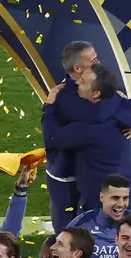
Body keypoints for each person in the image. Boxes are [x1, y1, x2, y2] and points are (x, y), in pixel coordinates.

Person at [41, 64, 131, 216]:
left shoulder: (90, 125)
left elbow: (52, 139)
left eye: (83, 82)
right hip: (125, 193)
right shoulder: (121, 104)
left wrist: (49, 106)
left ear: (96, 94)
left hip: (99, 200)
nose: (77, 82)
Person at [42, 41, 99, 231]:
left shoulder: (96, 85)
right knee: (66, 231)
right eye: (93, 61)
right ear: (77, 68)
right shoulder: (64, 98)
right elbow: (52, 139)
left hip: (85, 173)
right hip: (66, 174)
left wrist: (129, 118)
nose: (98, 63)